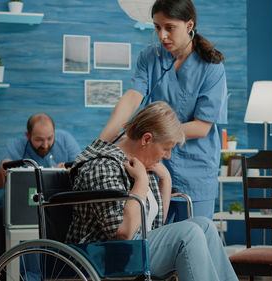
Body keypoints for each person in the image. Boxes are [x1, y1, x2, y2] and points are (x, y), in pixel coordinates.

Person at [67, 101, 238, 281]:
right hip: (104, 254)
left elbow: (154, 226)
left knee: (205, 226)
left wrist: (165, 181)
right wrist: (140, 182)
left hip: (135, 248)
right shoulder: (102, 166)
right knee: (189, 233)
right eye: (166, 148)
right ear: (146, 139)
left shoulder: (140, 163)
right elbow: (123, 233)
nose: (167, 156)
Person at [99, 0, 228, 222]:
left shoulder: (211, 66)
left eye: (169, 27)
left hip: (196, 171)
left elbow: (202, 126)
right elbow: (131, 98)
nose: (162, 36)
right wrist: (102, 142)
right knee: (157, 240)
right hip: (154, 167)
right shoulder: (150, 57)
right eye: (157, 27)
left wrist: (151, 134)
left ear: (189, 25)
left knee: (194, 240)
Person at [0, 113, 81, 189]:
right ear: (28, 136)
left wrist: (67, 174)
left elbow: (82, 177)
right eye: (39, 139)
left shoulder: (65, 140)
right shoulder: (16, 146)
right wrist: (1, 167)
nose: (45, 145)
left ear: (54, 133)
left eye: (50, 138)